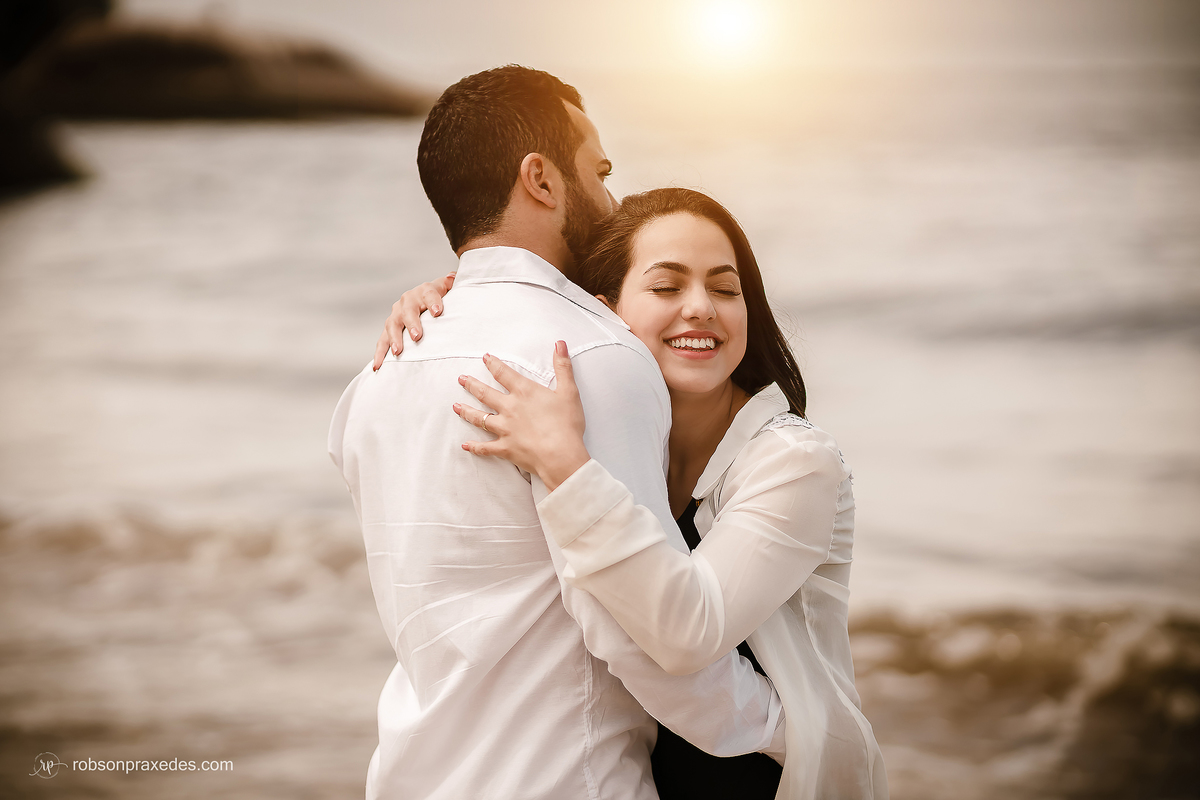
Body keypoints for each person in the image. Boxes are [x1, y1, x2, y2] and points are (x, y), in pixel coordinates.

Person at [329, 67, 785, 800]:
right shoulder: (593, 358)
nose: (610, 199)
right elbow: (645, 636)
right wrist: (788, 731)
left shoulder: (379, 376)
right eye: (598, 172)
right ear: (540, 179)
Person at [377, 188, 889, 799]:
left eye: (726, 289)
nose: (701, 308)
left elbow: (686, 629)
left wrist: (568, 467)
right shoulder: (623, 440)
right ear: (604, 314)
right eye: (667, 287)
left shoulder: (795, 463)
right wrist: (448, 300)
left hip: (773, 779)